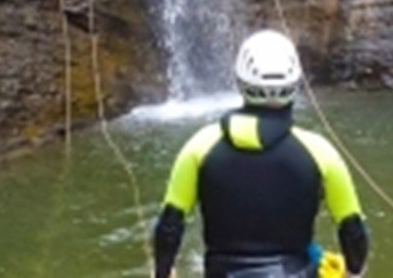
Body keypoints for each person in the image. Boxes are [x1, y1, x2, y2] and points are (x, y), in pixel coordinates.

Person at [153, 30, 369, 278]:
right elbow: (352, 229)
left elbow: (170, 225)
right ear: (295, 83)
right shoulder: (320, 151)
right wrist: (354, 272)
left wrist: (163, 273)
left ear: (239, 81)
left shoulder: (200, 146)